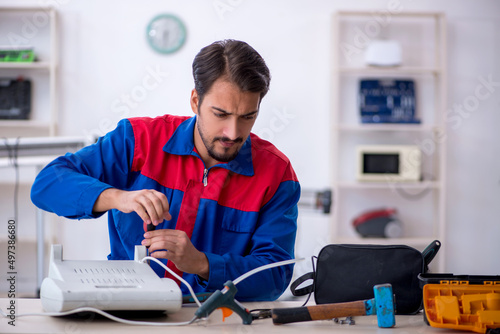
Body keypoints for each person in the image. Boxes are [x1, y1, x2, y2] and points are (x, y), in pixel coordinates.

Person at [31, 39, 300, 301]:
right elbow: (47, 184)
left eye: (247, 117)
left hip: (219, 318)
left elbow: (275, 275)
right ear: (195, 101)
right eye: (220, 114)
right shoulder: (137, 140)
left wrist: (204, 264)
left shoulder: (276, 173)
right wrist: (118, 197)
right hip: (128, 309)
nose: (232, 132)